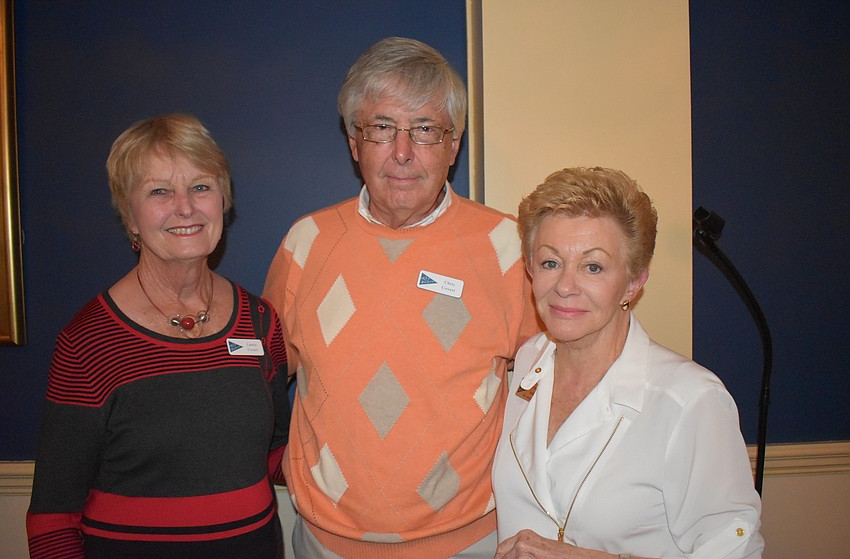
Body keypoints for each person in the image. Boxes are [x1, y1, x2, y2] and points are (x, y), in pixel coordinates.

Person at [262, 37, 540, 558]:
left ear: (454, 145)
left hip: (468, 544)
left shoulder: (509, 249)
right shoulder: (308, 243)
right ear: (354, 143)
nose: (403, 152)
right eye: (383, 128)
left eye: (426, 130)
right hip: (326, 544)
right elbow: (264, 380)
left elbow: (554, 392)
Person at [26, 114, 291, 558]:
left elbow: (279, 454)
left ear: (223, 200)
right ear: (129, 216)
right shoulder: (88, 341)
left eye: (201, 186)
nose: (185, 207)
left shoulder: (260, 322)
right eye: (159, 191)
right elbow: (54, 518)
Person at [492, 167, 764, 559]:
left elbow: (737, 552)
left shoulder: (689, 401)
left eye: (593, 267)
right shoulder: (531, 360)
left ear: (634, 282)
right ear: (530, 270)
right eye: (550, 263)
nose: (565, 286)